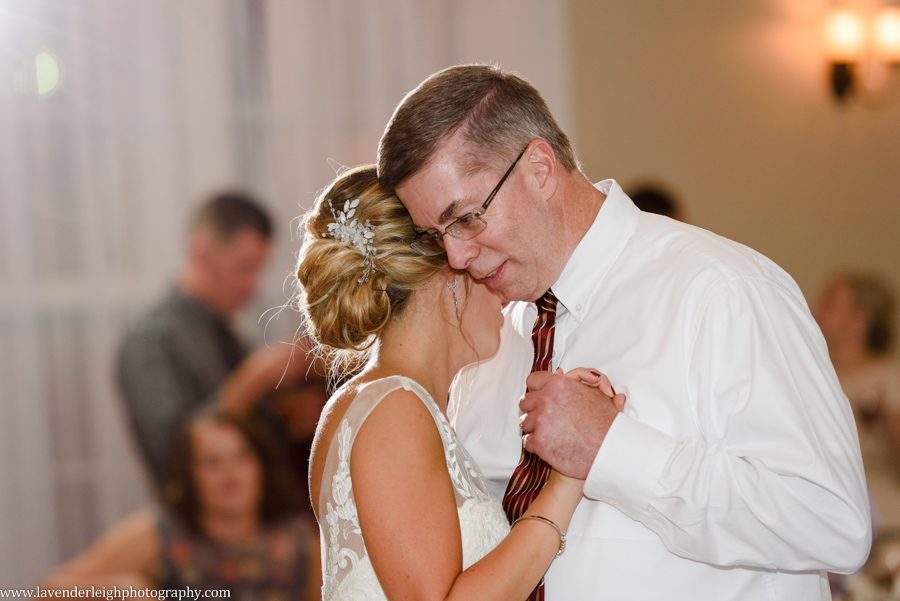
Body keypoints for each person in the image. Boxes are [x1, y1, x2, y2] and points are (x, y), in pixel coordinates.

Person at [377, 63, 871, 600]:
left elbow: (832, 523)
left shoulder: (721, 290)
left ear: (539, 169)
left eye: (466, 218)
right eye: (435, 236)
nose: (455, 257)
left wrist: (611, 448)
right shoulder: (493, 339)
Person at [297, 165, 623, 600]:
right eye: (479, 261)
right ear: (447, 275)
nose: (500, 285)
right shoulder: (394, 409)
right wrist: (566, 483)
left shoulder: (382, 402)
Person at [117, 191, 315, 485]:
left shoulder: (227, 333)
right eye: (244, 267)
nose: (253, 286)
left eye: (258, 270)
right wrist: (256, 377)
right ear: (201, 252)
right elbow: (173, 453)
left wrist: (288, 412)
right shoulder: (150, 342)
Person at [42, 409, 321, 600]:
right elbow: (48, 591)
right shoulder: (158, 533)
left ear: (261, 466)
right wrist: (121, 590)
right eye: (212, 462)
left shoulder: (301, 541)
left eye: (241, 457)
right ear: (189, 476)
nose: (230, 473)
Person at [815, 271, 900, 532]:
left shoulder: (887, 379)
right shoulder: (814, 374)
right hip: (820, 511)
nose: (816, 309)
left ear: (859, 321)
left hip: (880, 514)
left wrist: (889, 423)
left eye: (830, 303)